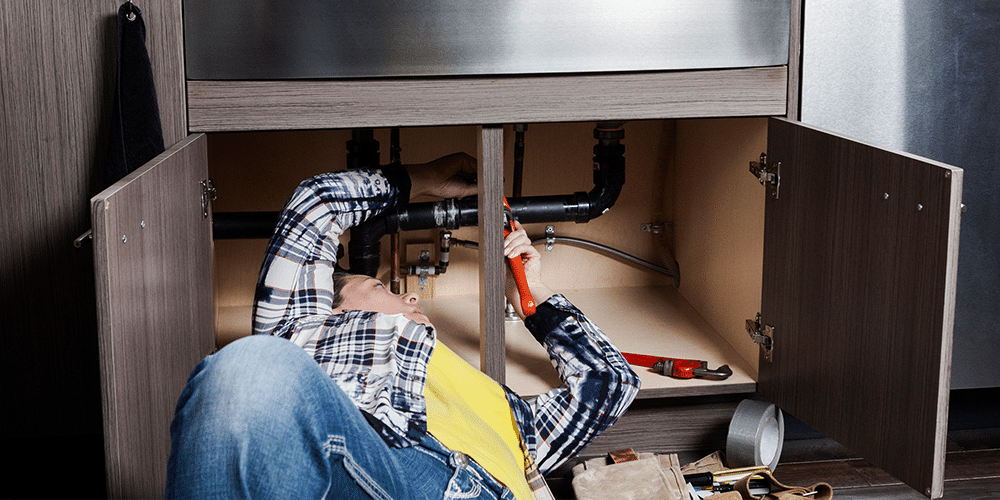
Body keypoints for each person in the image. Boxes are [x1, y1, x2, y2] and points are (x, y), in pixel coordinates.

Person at [165, 153, 640, 500]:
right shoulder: (299, 331)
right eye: (380, 286)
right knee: (244, 370)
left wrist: (532, 296)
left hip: (488, 489)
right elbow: (318, 204)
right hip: (386, 465)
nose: (411, 295)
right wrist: (425, 178)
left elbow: (612, 382)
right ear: (330, 311)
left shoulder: (514, 418)